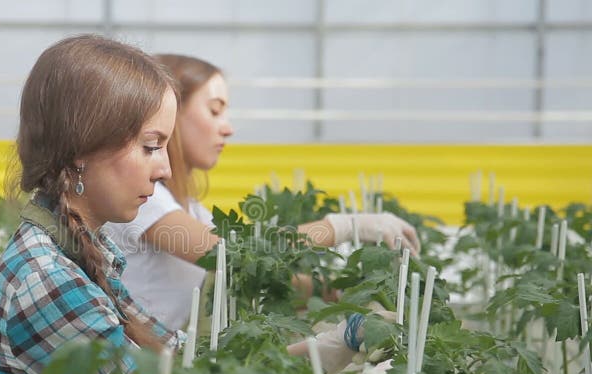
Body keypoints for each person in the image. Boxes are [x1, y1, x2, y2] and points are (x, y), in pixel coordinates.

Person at [103, 54, 421, 331]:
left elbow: (254, 278)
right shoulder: (144, 199)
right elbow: (236, 255)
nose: (228, 128)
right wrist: (344, 227)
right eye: (214, 111)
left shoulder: (191, 210)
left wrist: (348, 293)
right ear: (169, 113)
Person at [0, 35, 184, 374]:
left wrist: (324, 348)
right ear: (79, 151)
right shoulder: (46, 281)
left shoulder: (80, 251)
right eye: (151, 146)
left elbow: (174, 357)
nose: (165, 169)